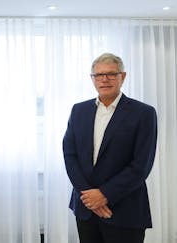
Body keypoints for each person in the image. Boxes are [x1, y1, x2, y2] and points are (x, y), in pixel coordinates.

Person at [63, 53, 157, 243]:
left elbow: (141, 165)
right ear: (92, 79)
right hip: (86, 209)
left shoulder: (143, 113)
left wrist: (104, 195)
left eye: (111, 74)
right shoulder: (78, 110)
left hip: (125, 209)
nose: (104, 79)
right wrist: (90, 198)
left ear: (123, 76)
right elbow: (69, 155)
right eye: (98, 75)